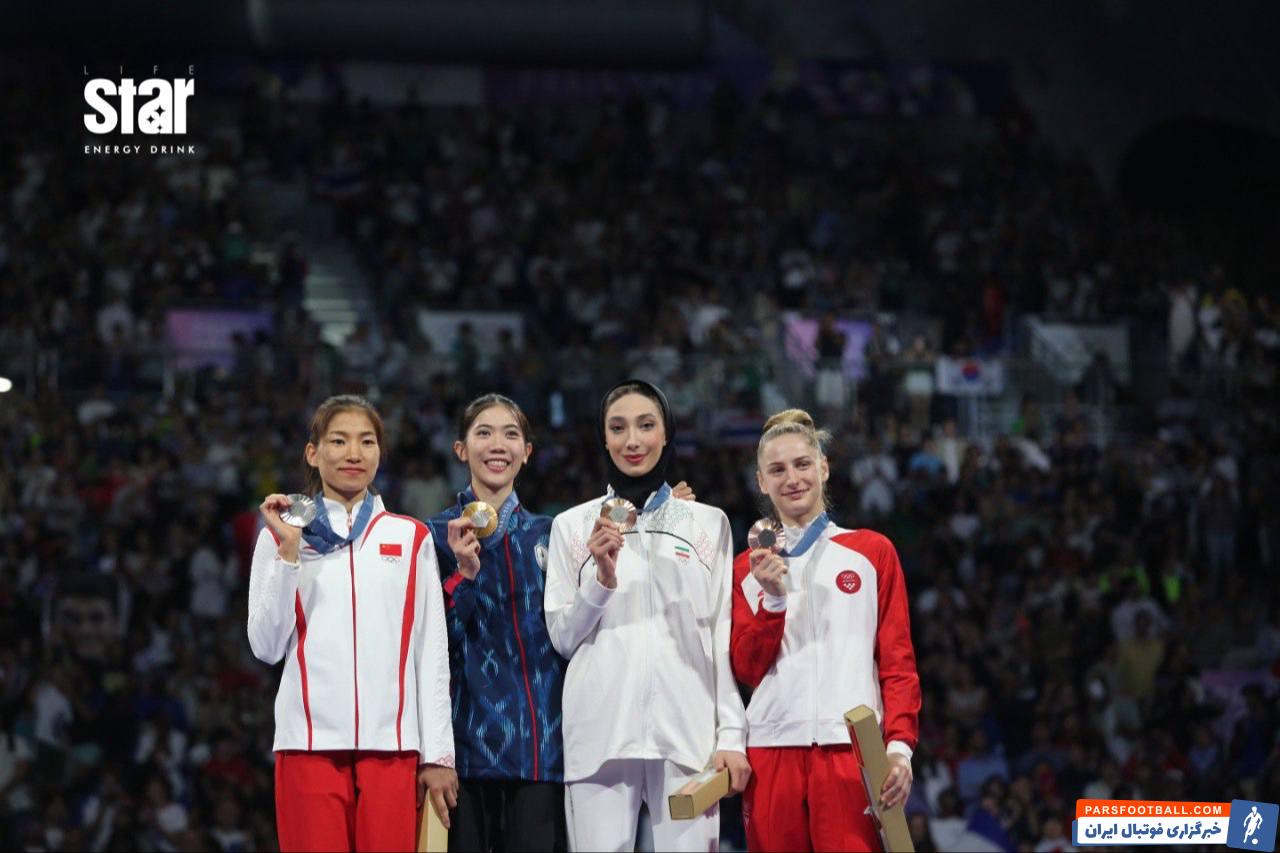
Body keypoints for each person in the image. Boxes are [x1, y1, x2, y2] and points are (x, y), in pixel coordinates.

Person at [427, 393, 701, 852]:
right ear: (460, 449)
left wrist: (669, 512)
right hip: (463, 753)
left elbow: (592, 608)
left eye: (511, 434)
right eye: (484, 433)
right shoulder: (434, 536)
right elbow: (432, 649)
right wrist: (464, 577)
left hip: (542, 750)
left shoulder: (555, 532)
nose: (498, 445)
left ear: (527, 452)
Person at [544, 379, 750, 852]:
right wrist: (601, 579)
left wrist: (732, 735)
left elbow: (720, 634)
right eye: (618, 428)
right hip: (599, 735)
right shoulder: (572, 526)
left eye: (645, 425)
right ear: (604, 438)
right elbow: (563, 637)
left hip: (689, 736)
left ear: (666, 432)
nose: (632, 440)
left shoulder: (707, 523)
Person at [248, 394, 455, 852]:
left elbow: (431, 653)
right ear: (313, 453)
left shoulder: (411, 537)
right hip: (308, 744)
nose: (353, 453)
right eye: (339, 441)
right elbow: (265, 646)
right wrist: (287, 554)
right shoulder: (282, 536)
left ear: (380, 453)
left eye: (366, 441)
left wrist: (439, 754)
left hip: (393, 747)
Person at [730, 408, 921, 851]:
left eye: (802, 464)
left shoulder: (872, 552)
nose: (792, 478)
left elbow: (897, 662)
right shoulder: (746, 568)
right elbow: (746, 669)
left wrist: (899, 748)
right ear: (761, 482)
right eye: (777, 470)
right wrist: (773, 601)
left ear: (824, 468)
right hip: (771, 748)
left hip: (851, 749)